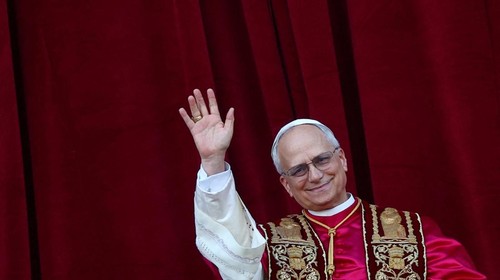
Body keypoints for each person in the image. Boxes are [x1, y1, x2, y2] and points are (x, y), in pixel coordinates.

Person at [179, 88, 486, 279]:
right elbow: (230, 255)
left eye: (322, 160)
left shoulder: (414, 231)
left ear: (342, 159)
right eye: (298, 170)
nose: (314, 176)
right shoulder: (265, 245)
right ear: (285, 184)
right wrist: (213, 161)